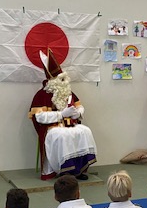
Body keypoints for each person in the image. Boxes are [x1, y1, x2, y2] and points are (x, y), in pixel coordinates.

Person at [28, 48, 96, 180]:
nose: (64, 82)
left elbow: (80, 106)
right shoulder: (42, 95)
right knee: (62, 136)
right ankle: (63, 170)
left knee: (85, 131)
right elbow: (39, 117)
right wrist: (61, 114)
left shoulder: (68, 92)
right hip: (51, 128)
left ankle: (78, 169)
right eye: (61, 79)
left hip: (70, 124)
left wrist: (78, 113)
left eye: (64, 79)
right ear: (53, 81)